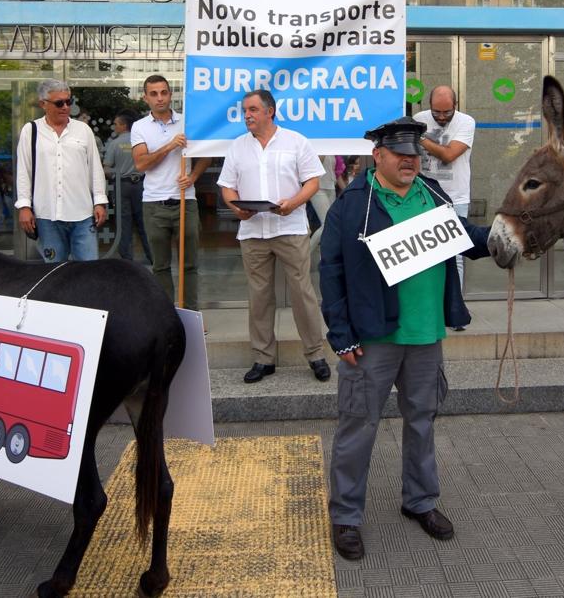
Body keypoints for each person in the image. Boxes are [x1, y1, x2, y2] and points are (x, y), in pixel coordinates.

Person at [321, 116, 491, 561]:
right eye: (400, 154)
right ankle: (346, 516)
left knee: (422, 422)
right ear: (378, 156)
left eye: (415, 154)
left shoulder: (432, 195)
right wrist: (340, 336)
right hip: (372, 339)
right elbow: (331, 272)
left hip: (426, 334)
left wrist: (507, 238)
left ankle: (420, 502)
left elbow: (468, 239)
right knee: (358, 426)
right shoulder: (352, 203)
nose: (410, 161)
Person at [217, 89, 331, 383]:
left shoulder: (295, 141)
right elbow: (227, 187)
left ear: (270, 111)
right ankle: (263, 359)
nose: (247, 116)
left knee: (302, 293)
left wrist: (293, 203)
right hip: (253, 231)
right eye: (245, 111)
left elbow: (313, 182)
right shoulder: (238, 147)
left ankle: (316, 354)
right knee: (259, 297)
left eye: (253, 110)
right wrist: (235, 207)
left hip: (290, 228)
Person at [130, 75, 210, 311]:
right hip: (154, 204)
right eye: (154, 94)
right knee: (160, 265)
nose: (160, 98)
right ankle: (167, 315)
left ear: (170, 94)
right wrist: (169, 146)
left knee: (190, 265)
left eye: (164, 92)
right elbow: (141, 164)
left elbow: (207, 155)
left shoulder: (187, 122)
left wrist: (193, 177)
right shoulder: (139, 127)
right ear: (145, 98)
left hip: (186, 200)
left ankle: (191, 315)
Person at [15, 79, 108, 263]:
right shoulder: (30, 131)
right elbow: (24, 171)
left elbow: (95, 170)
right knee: (54, 273)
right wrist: (24, 206)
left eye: (69, 101)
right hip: (47, 215)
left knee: (88, 271)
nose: (65, 107)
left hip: (82, 214)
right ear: (43, 104)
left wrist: (100, 202)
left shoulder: (83, 131)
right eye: (59, 103)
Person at [413, 85, 476, 309]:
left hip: (456, 197)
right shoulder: (419, 119)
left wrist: (421, 139)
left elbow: (449, 155)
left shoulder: (466, 122)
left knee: (456, 255)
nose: (441, 117)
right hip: (424, 195)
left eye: (446, 113)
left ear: (455, 107)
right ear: (429, 106)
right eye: (436, 112)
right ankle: (430, 304)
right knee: (424, 252)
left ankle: (454, 307)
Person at [103, 109, 152, 264]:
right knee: (144, 222)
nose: (115, 127)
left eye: (116, 124)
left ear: (124, 125)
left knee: (124, 224)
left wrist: (115, 177)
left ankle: (127, 260)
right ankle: (152, 256)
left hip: (122, 186)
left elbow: (107, 168)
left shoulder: (114, 144)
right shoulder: (142, 141)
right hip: (142, 185)